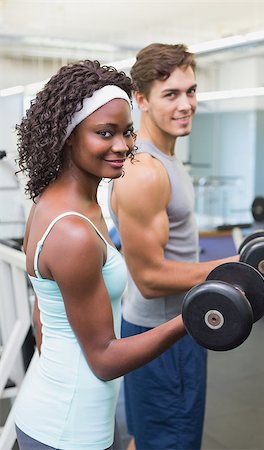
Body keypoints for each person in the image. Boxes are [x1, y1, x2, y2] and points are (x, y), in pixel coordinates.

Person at [13, 59, 194, 450]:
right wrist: (192, 318)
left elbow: (44, 316)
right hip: (67, 430)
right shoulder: (73, 232)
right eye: (104, 133)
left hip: (68, 414)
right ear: (67, 136)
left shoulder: (59, 204)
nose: (122, 145)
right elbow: (104, 358)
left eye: (127, 132)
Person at [108, 43, 239, 450]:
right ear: (141, 99)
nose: (186, 104)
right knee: (171, 441)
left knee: (149, 437)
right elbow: (148, 278)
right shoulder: (145, 172)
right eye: (171, 94)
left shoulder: (166, 158)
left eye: (191, 91)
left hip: (176, 325)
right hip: (162, 332)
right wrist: (233, 267)